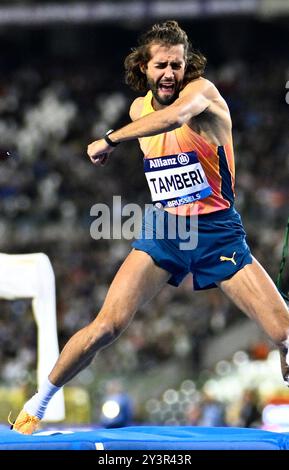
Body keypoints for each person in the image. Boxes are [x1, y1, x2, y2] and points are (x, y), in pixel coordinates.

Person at [12, 20, 289, 434]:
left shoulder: (201, 93)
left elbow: (176, 118)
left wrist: (109, 139)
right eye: (161, 65)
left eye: (177, 65)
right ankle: (37, 405)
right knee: (106, 325)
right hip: (166, 229)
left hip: (217, 232)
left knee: (285, 334)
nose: (169, 74)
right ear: (144, 66)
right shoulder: (138, 109)